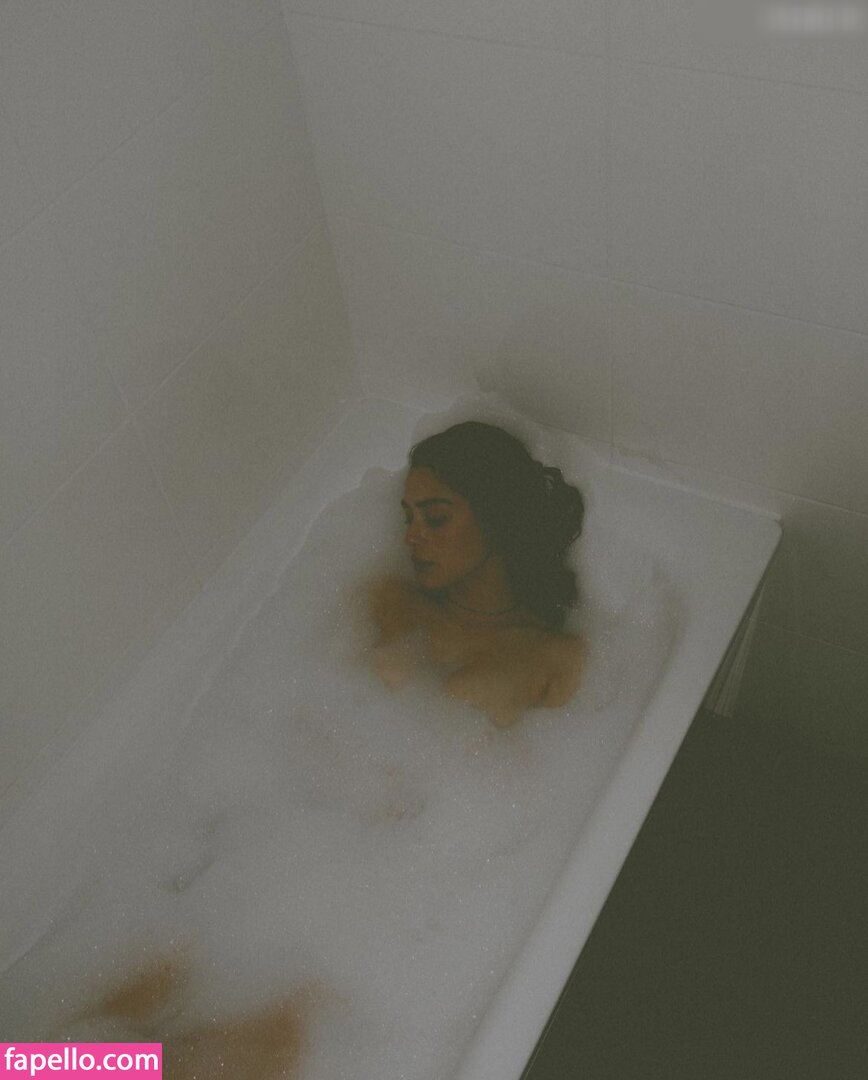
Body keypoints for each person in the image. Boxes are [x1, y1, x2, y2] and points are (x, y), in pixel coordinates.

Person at [367, 421, 586, 728]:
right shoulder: (396, 603)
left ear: (496, 518)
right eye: (408, 518)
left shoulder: (553, 657)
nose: (411, 537)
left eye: (436, 518)